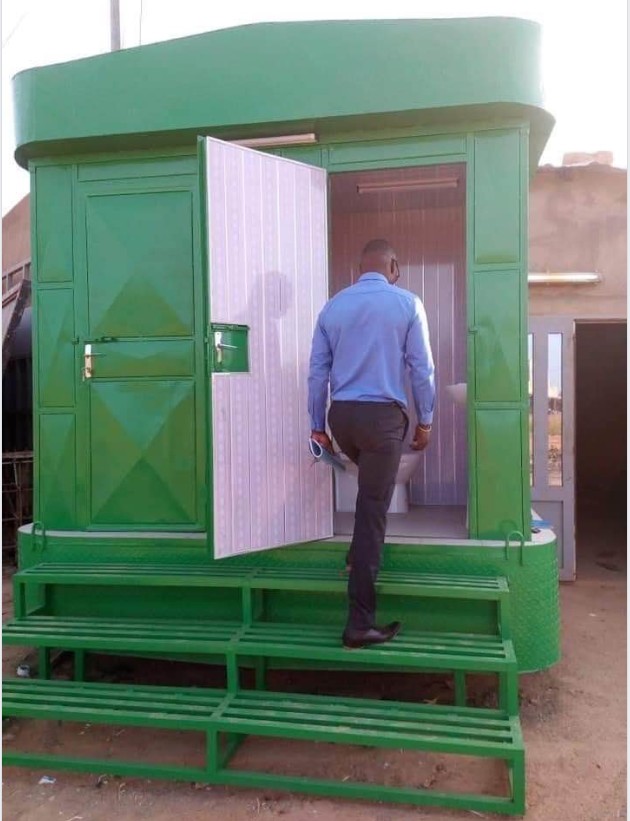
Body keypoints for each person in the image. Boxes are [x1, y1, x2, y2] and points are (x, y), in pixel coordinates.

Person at [307, 239, 435, 649]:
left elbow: (317, 374)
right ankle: (359, 623)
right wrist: (426, 421)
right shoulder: (408, 303)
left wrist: (317, 425)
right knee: (376, 509)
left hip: (342, 416)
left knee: (369, 495)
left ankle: (354, 555)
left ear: (358, 269)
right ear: (393, 265)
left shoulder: (333, 307)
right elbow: (422, 368)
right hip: (383, 419)